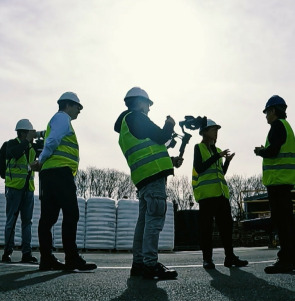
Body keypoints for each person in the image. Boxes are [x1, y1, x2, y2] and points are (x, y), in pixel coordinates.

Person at [114, 87, 183, 280]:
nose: (149, 109)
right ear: (140, 102)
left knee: (144, 223)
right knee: (153, 222)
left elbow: (149, 148)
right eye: (148, 104)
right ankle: (150, 265)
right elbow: (162, 136)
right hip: (153, 178)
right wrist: (169, 124)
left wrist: (169, 161)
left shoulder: (126, 125)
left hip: (144, 178)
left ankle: (139, 264)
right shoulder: (136, 117)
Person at [31, 92, 97, 271]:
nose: (79, 111)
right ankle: (72, 258)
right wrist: (41, 160)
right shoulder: (62, 118)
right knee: (71, 214)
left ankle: (46, 259)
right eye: (78, 107)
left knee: (48, 218)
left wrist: (42, 163)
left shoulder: (56, 120)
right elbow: (52, 141)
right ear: (68, 105)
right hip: (60, 174)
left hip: (50, 175)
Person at [192, 118, 248, 270]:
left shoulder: (217, 151)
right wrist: (218, 156)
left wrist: (227, 161)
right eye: (213, 129)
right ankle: (207, 259)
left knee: (226, 227)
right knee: (206, 228)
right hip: (207, 196)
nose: (216, 132)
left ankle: (230, 257)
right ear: (204, 132)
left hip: (221, 195)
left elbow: (221, 172)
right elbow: (200, 167)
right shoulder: (199, 148)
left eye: (217, 130)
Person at [254, 95, 295, 274]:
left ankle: (286, 260)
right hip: (284, 181)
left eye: (266, 112)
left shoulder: (277, 126)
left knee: (283, 222)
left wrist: (261, 151)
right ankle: (289, 258)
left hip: (278, 182)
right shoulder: (287, 127)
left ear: (273, 111)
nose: (265, 116)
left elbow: (273, 150)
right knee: (287, 221)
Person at [2, 119, 38, 264]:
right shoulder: (10, 144)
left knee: (27, 222)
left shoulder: (31, 147)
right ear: (23, 132)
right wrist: (27, 142)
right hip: (14, 188)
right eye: (30, 133)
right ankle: (7, 252)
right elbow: (15, 154)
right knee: (11, 220)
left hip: (28, 189)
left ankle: (27, 253)